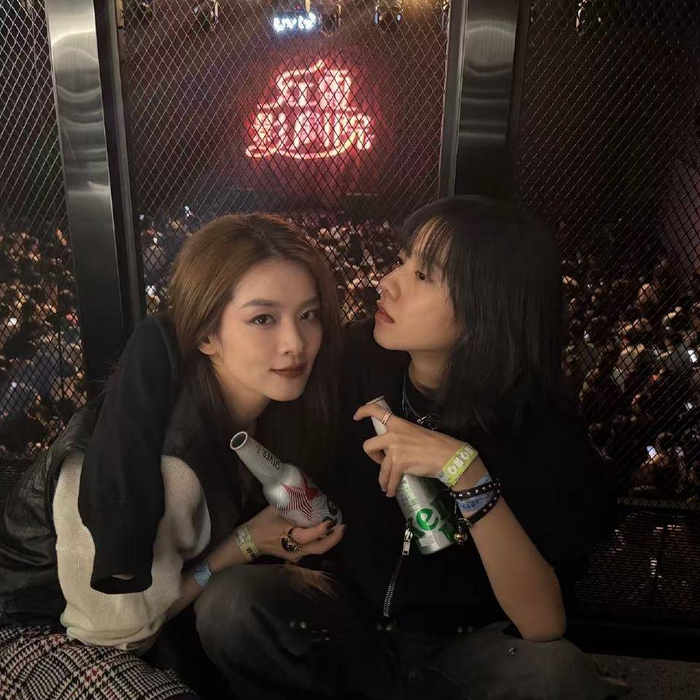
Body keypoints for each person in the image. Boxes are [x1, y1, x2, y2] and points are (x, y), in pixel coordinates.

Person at [78, 197, 629, 699]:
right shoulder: (353, 362)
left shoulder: (541, 426)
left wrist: (465, 471)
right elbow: (204, 342)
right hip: (348, 623)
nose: (387, 282)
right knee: (234, 603)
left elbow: (542, 624)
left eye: (422, 275)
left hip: (464, 647)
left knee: (555, 673)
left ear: (490, 305)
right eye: (402, 261)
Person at [0, 214, 347, 699]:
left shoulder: (260, 406)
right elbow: (122, 638)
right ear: (206, 336)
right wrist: (246, 543)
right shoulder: (165, 464)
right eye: (262, 319)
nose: (295, 343)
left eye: (308, 315)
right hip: (39, 636)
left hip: (149, 620)